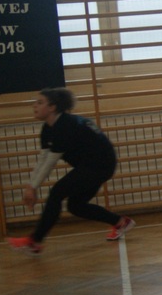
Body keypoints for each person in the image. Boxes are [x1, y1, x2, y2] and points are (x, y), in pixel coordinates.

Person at [7, 88, 134, 255]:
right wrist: (31, 186)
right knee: (76, 206)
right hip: (91, 165)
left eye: (39, 102)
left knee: (57, 193)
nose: (34, 106)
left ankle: (35, 241)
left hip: (100, 164)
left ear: (52, 107)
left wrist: (33, 187)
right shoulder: (48, 129)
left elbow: (50, 162)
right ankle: (120, 222)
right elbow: (43, 159)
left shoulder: (65, 126)